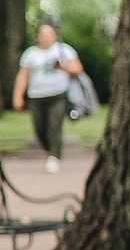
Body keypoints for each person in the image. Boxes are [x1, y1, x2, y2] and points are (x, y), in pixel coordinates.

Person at [13, 21, 85, 174]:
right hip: (37, 95)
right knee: (39, 128)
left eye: (48, 34)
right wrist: (18, 96)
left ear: (54, 35)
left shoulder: (63, 50)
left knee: (54, 125)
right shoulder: (31, 54)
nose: (45, 37)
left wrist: (63, 66)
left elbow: (78, 69)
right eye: (42, 35)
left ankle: (54, 156)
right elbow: (23, 76)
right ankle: (50, 151)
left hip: (58, 93)